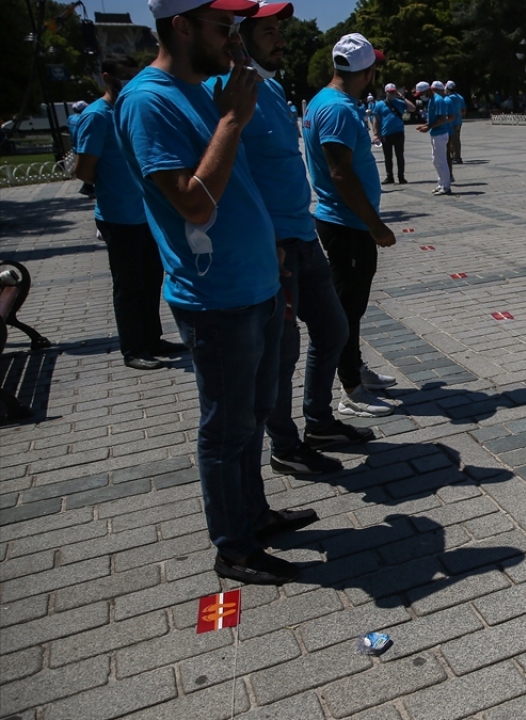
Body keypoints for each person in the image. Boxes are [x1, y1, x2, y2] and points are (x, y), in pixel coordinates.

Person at [115, 0, 319, 585]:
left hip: (254, 282)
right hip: (216, 298)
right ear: (180, 26)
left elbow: (241, 179)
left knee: (252, 416)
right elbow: (193, 201)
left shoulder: (205, 89)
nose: (235, 39)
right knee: (226, 429)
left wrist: (273, 252)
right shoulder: (147, 101)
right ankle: (233, 548)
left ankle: (252, 514)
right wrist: (231, 118)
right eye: (223, 28)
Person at [225, 1, 375, 475]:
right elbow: (230, 172)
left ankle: (319, 421)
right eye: (267, 31)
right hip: (275, 244)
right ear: (238, 35)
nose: (280, 39)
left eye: (278, 30)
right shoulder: (226, 90)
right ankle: (286, 445)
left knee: (332, 328)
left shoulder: (266, 88)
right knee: (281, 353)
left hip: (301, 232)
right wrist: (264, 238)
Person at [303, 33, 399, 418]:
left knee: (352, 308)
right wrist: (375, 225)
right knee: (347, 307)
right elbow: (341, 173)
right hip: (346, 224)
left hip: (343, 221)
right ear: (368, 72)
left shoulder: (325, 101)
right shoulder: (339, 109)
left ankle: (354, 368)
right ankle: (351, 390)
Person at [74, 53, 186, 371]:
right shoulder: (97, 116)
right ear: (107, 77)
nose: (132, 78)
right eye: (125, 73)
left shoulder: (135, 108)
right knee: (128, 285)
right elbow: (84, 170)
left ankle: (152, 338)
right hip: (119, 215)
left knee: (151, 280)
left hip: (147, 213)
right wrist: (114, 182)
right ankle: (133, 348)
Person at [414, 80, 454, 195]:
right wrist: (426, 125)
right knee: (436, 160)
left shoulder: (438, 100)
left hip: (440, 134)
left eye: (421, 94)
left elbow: (442, 119)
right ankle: (441, 183)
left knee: (441, 161)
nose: (421, 97)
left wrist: (428, 127)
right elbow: (434, 119)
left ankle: (446, 186)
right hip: (435, 133)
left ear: (427, 90)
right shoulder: (432, 100)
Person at [371, 82, 408, 184]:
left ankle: (401, 176)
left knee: (400, 156)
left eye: (394, 92)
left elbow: (412, 108)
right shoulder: (379, 105)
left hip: (399, 133)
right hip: (386, 134)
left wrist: (403, 98)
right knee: (388, 157)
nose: (392, 94)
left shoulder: (399, 102)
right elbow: (376, 120)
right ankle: (389, 177)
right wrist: (375, 134)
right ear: (386, 93)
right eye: (390, 92)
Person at [68, 100, 94, 197]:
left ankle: (88, 187)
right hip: (83, 146)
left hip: (75, 147)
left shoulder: (71, 118)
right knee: (91, 166)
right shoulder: (84, 119)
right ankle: (87, 187)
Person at [445, 80, 465, 164]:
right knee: (456, 140)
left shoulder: (448, 98)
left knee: (452, 141)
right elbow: (463, 110)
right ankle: (456, 156)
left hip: (450, 122)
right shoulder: (460, 97)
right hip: (458, 121)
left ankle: (456, 157)